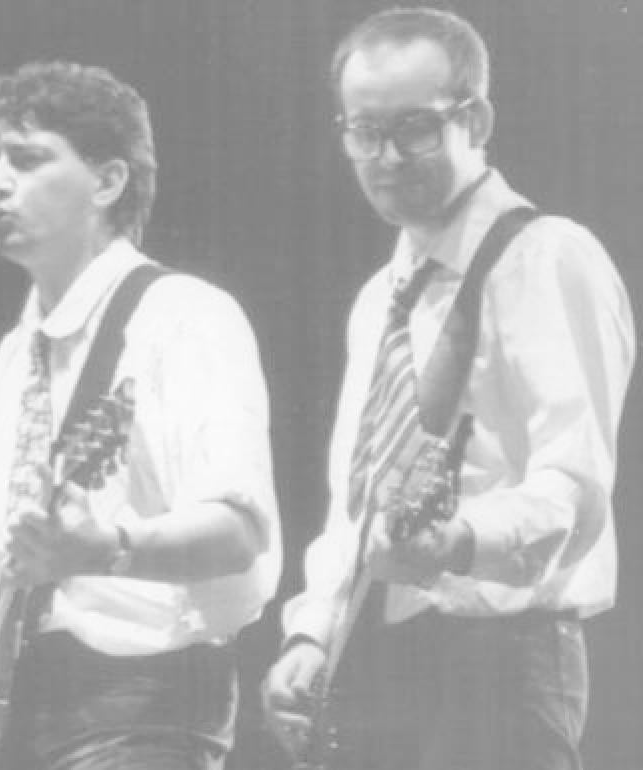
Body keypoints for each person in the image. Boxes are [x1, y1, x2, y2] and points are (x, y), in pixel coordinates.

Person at [262, 8, 636, 770]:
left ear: (476, 119)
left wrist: (459, 541)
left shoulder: (546, 256)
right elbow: (356, 499)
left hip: (500, 664)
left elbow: (575, 486)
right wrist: (313, 632)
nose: (386, 157)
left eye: (415, 129)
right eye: (364, 132)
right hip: (378, 668)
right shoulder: (379, 299)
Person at [0, 59, 281, 770]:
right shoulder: (10, 362)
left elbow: (240, 529)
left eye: (27, 159)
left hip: (144, 708)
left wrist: (107, 547)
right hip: (13, 717)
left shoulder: (185, 316)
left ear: (107, 182)